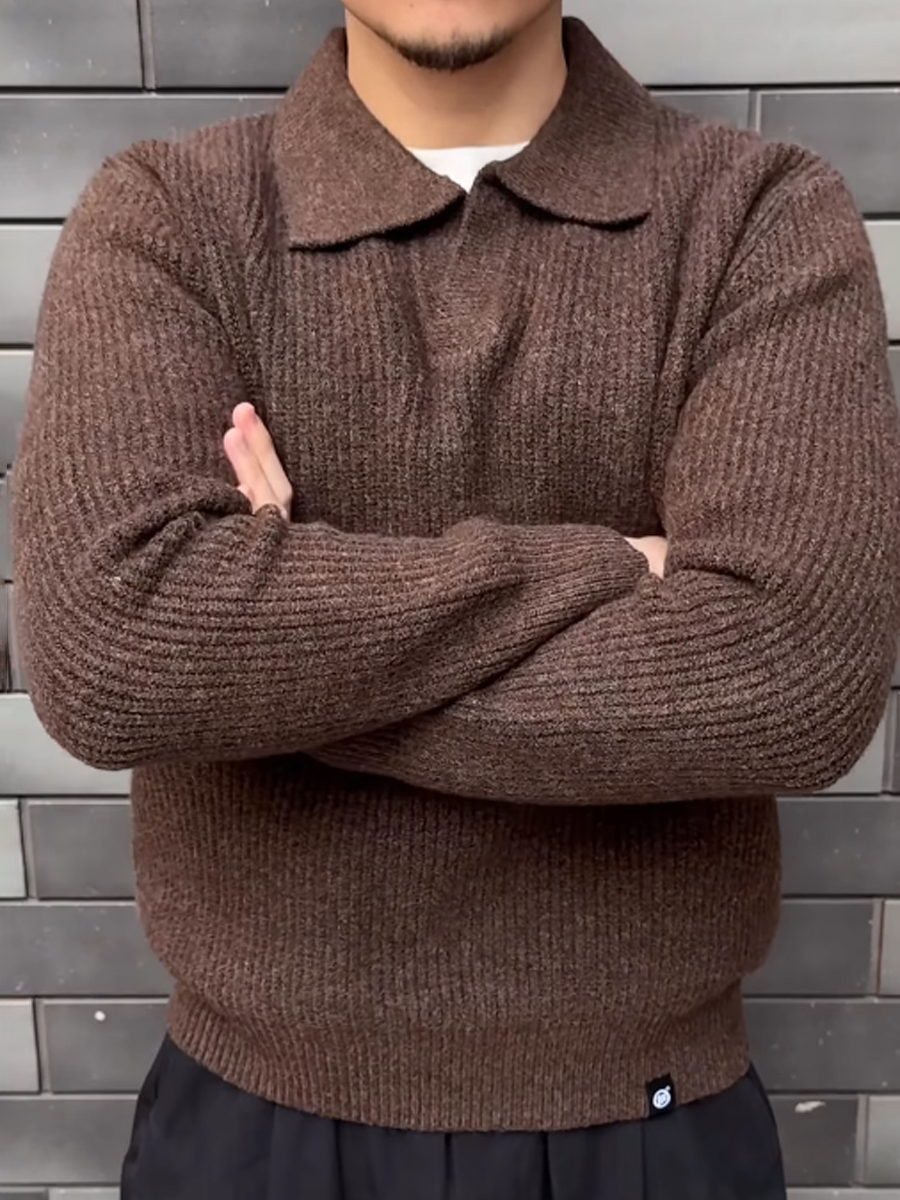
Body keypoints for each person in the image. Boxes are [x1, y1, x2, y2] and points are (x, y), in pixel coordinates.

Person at [12, 0, 900, 1196]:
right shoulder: (168, 215)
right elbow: (110, 654)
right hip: (250, 1132)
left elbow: (795, 679)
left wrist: (273, 639)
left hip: (651, 1129)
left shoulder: (761, 216)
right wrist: (614, 567)